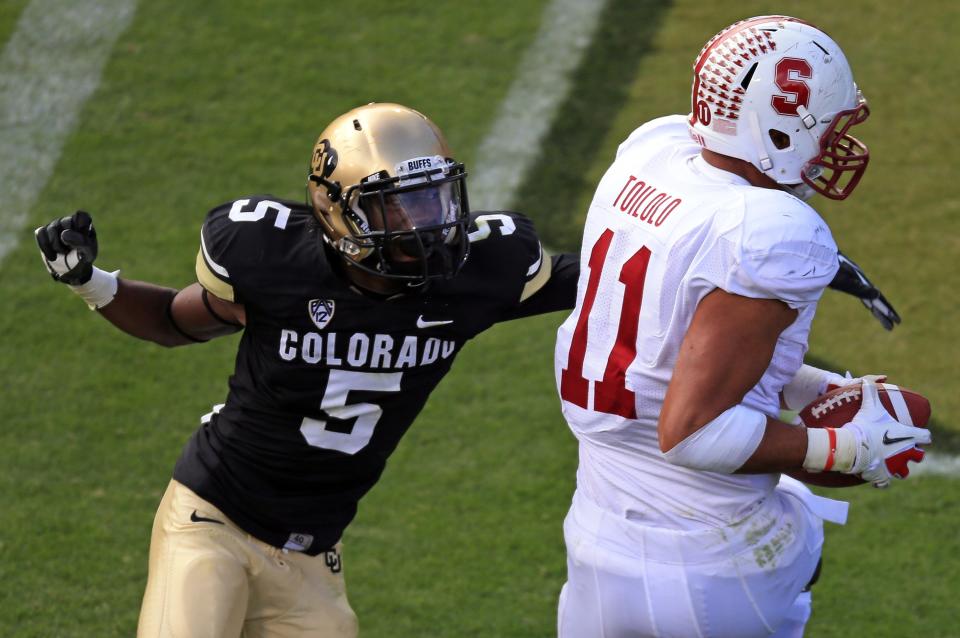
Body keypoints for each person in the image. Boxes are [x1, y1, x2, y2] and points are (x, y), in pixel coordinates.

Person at [34, 102, 581, 637]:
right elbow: (174, 321)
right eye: (398, 207)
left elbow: (599, 275)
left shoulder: (475, 275)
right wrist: (91, 282)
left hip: (312, 556)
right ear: (337, 209)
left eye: (433, 199)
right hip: (214, 519)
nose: (424, 225)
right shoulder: (277, 263)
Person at [552, 16, 930, 638]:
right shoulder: (773, 231)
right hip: (707, 565)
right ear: (781, 129)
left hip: (598, 536)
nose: (840, 143)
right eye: (832, 127)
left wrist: (806, 387)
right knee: (800, 507)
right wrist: (841, 449)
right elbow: (694, 432)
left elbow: (666, 351)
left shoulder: (652, 155)